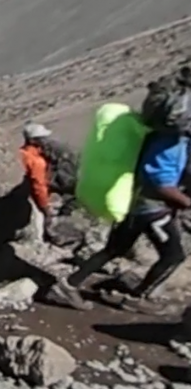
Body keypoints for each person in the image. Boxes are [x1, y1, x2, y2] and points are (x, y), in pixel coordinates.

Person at [51, 129, 190, 315]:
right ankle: (137, 298)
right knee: (173, 256)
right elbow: (161, 183)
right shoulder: (171, 143)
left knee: (114, 249)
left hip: (132, 203)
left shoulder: (161, 136)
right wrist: (185, 201)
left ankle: (68, 285)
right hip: (151, 210)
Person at [20, 122, 55, 241]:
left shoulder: (21, 153)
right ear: (33, 141)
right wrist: (45, 206)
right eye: (42, 138)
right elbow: (39, 186)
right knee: (37, 225)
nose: (46, 141)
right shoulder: (36, 161)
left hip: (18, 196)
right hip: (31, 198)